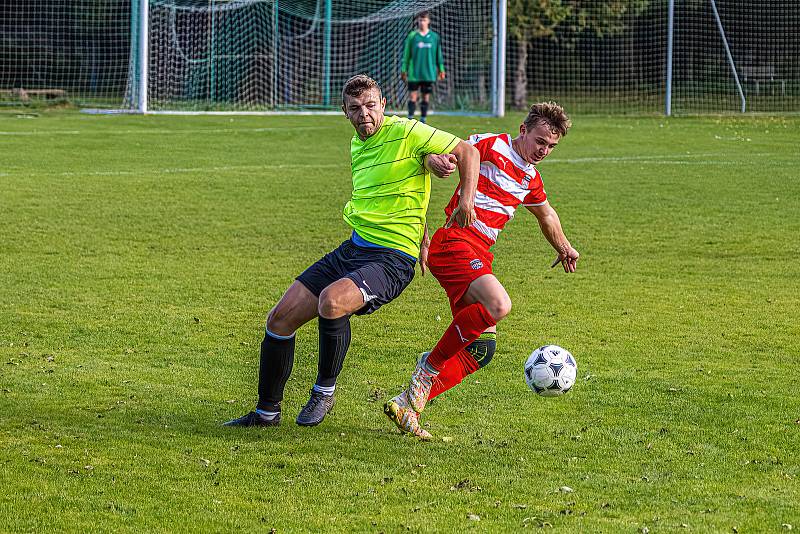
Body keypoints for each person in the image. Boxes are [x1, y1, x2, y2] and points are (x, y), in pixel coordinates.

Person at [225, 74, 479, 428]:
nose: (365, 115)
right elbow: (408, 176)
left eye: (371, 106)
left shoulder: (406, 131)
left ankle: (323, 393)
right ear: (345, 112)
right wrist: (427, 163)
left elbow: (468, 151)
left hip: (392, 259)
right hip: (355, 247)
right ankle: (266, 413)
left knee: (332, 301)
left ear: (384, 106)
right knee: (279, 319)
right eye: (356, 109)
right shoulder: (357, 145)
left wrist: (465, 200)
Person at [384, 102, 579, 440]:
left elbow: (546, 215)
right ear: (523, 130)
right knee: (498, 305)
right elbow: (451, 152)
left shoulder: (530, 178)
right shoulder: (492, 144)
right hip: (454, 243)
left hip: (478, 253)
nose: (543, 151)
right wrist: (437, 162)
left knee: (480, 348)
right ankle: (426, 370)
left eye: (550, 146)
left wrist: (563, 247)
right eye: (539, 141)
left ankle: (408, 405)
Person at [401, 11, 445, 124]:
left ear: (428, 21)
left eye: (424, 20)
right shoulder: (412, 36)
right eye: (420, 20)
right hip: (414, 74)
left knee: (425, 98)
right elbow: (406, 55)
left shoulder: (434, 37)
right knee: (412, 97)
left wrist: (441, 69)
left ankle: (423, 120)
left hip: (428, 73)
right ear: (417, 21)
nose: (422, 22)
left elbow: (438, 55)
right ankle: (410, 119)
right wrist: (403, 69)